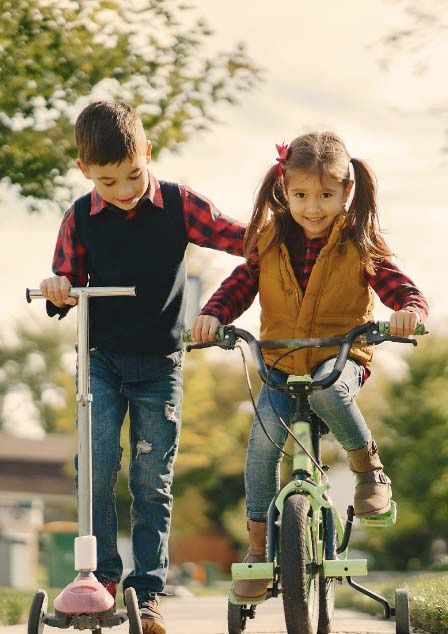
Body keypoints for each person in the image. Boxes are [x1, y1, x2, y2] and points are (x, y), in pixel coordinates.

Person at [191, 131, 429, 602]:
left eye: (325, 195)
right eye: (301, 195)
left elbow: (400, 288)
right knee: (261, 444)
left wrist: (410, 313)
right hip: (279, 364)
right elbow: (241, 284)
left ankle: (369, 471)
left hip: (342, 360)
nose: (313, 207)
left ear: (346, 192)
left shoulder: (360, 242)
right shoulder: (269, 240)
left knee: (327, 387)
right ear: (284, 190)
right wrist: (213, 315)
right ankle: (258, 549)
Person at [40, 100, 245, 634]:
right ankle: (101, 582)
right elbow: (64, 284)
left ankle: (147, 592)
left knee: (152, 480)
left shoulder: (178, 203)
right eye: (109, 182)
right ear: (85, 170)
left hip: (160, 364)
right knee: (97, 469)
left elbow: (238, 237)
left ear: (147, 153)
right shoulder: (80, 216)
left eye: (133, 175)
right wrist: (57, 287)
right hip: (102, 362)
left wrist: (292, 235)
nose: (126, 190)